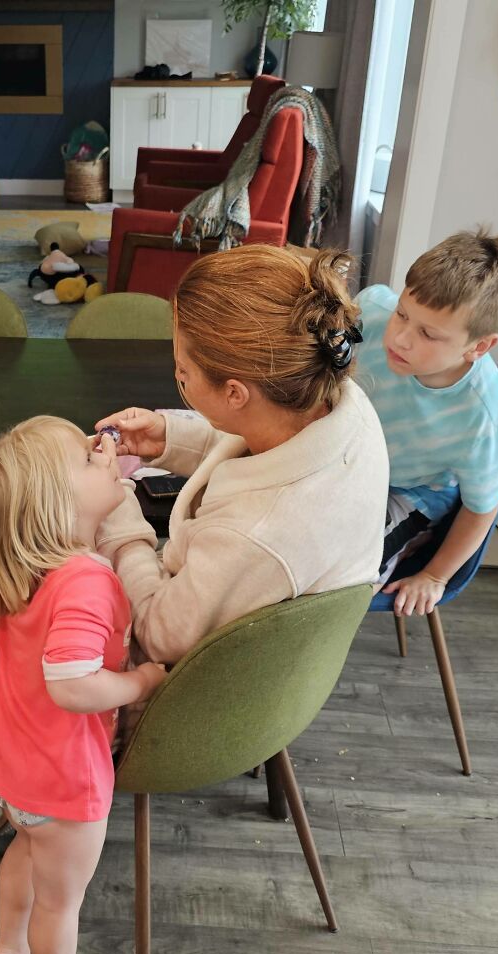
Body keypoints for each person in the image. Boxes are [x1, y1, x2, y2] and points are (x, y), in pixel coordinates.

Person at [94, 243, 389, 667]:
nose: (179, 379)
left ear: (234, 392)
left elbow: (160, 636)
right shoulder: (336, 397)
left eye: (182, 373)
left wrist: (119, 518)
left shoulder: (257, 533)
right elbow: (263, 438)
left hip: (199, 681)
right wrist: (169, 438)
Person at [0, 416, 166, 954]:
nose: (103, 450)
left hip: (13, 769)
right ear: (56, 507)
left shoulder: (29, 567)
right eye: (86, 457)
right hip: (65, 780)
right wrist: (138, 683)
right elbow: (73, 683)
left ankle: (11, 951)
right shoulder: (85, 580)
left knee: (28, 850)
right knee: (62, 899)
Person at [355, 227, 498, 616]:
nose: (400, 339)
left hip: (410, 492)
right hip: (349, 455)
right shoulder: (373, 309)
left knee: (339, 574)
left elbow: (481, 510)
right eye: (402, 314)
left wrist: (434, 576)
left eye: (428, 334)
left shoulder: (486, 419)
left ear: (478, 347)